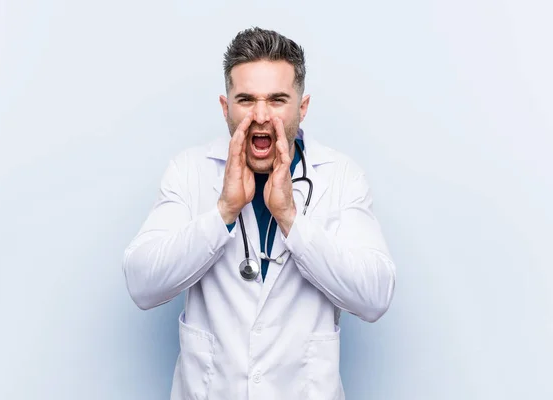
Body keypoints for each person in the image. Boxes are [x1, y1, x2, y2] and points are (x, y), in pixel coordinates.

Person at [122, 27, 396, 400]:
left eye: (278, 100)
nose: (261, 115)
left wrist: (290, 220)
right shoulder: (190, 171)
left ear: (302, 107)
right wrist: (224, 212)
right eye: (247, 99)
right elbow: (141, 283)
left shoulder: (341, 176)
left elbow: (375, 295)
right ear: (226, 107)